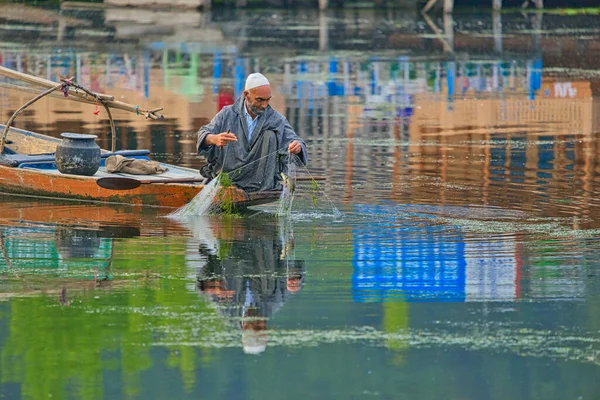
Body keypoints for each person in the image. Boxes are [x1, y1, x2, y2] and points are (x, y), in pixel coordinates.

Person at [196, 73, 308, 193]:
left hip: (261, 182)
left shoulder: (276, 119)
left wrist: (297, 147)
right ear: (246, 95)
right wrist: (214, 139)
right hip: (228, 176)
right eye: (259, 100)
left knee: (270, 134)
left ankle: (260, 187)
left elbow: (296, 141)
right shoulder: (227, 114)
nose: (265, 105)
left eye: (267, 100)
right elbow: (203, 133)